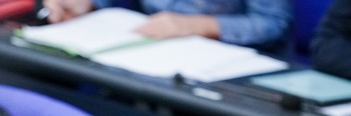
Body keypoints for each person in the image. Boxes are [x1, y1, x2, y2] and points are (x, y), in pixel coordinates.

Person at [41, 0, 294, 53]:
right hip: (149, 47)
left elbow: (275, 24)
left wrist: (199, 25)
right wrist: (88, 3)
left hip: (225, 58)